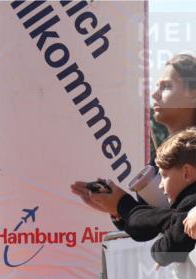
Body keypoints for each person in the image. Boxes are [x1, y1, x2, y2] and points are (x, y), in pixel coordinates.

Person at [72, 54, 196, 210]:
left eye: (166, 87)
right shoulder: (160, 155)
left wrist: (121, 205)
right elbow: (151, 224)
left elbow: (175, 221)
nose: (154, 94)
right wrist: (115, 207)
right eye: (157, 86)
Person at [78, 129, 196, 265]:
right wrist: (120, 208)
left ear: (186, 173)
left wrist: (158, 251)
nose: (160, 185)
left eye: (164, 176)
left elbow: (172, 248)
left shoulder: (190, 201)